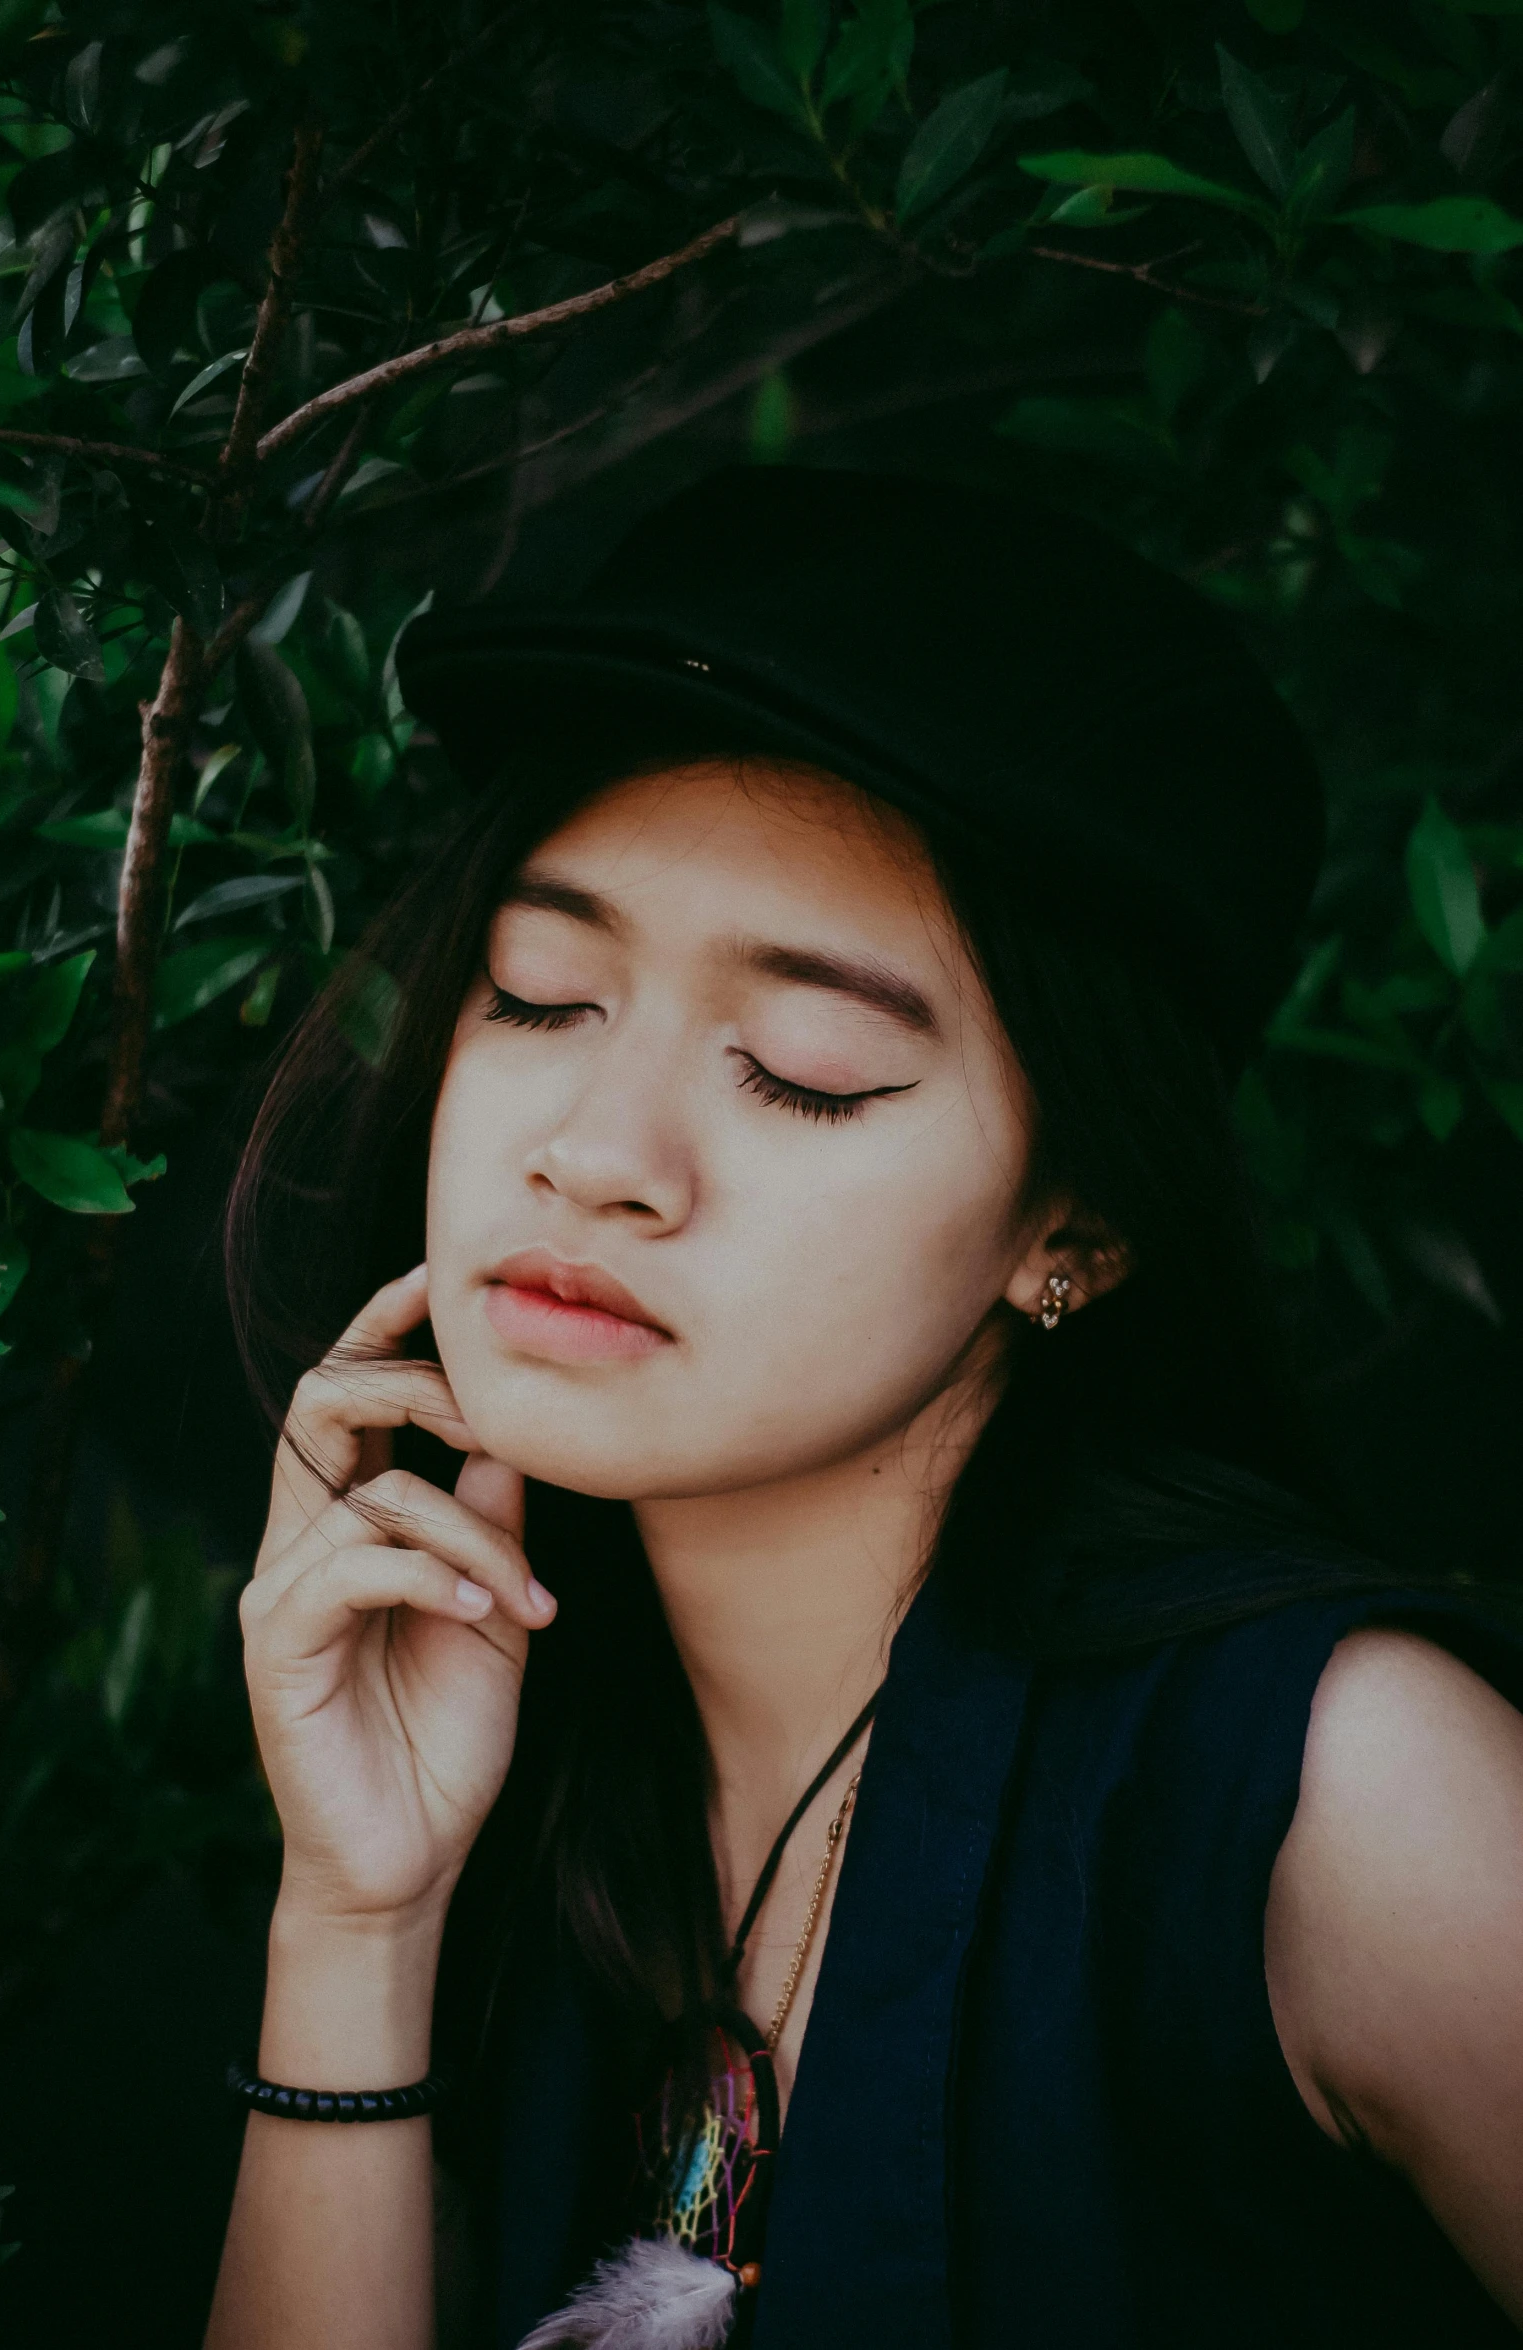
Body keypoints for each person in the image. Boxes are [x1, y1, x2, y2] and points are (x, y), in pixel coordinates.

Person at [204, 471, 1523, 2350]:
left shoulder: (1350, 1800)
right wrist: (356, 1918)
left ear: (1073, 1221)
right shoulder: (539, 1744)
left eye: (803, 1073)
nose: (595, 1155)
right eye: (540, 991)